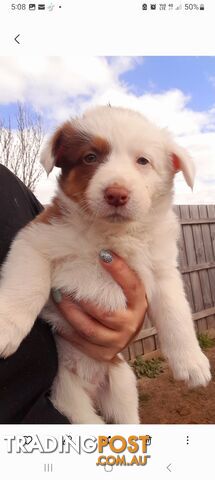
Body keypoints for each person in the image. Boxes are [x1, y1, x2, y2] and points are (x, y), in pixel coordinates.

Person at [0, 164, 148, 424]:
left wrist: (125, 322)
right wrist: (15, 313)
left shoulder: (11, 187)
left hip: (56, 414)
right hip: (58, 395)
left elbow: (42, 245)